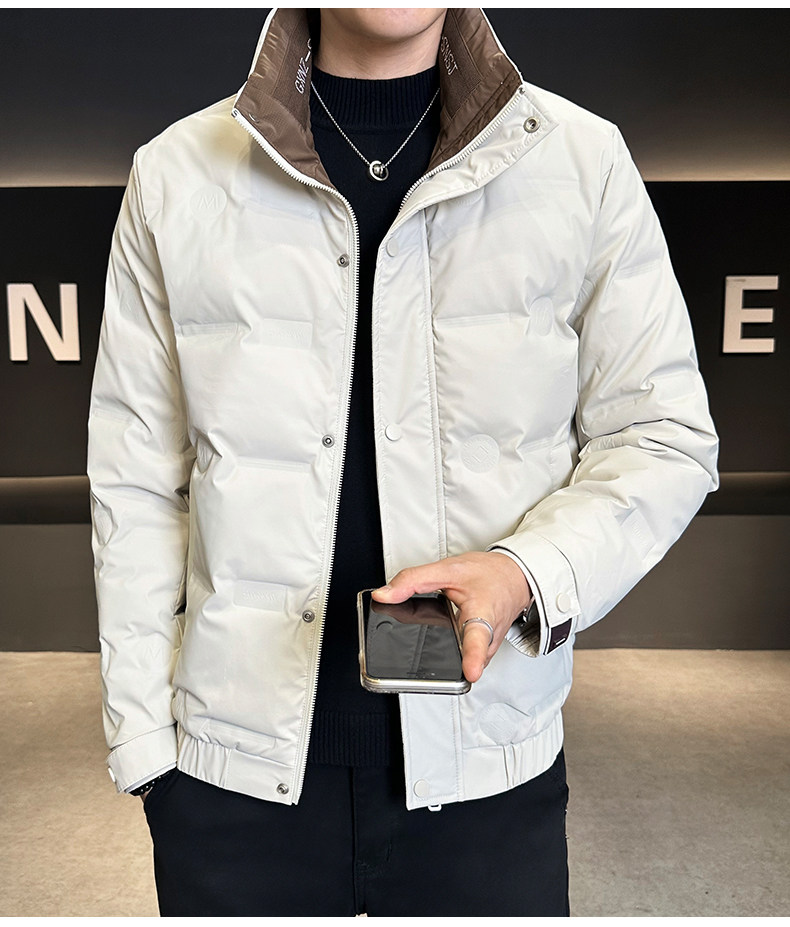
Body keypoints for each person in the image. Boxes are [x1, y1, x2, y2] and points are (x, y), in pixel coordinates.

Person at [87, 7, 718, 917]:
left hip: (487, 773)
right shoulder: (177, 175)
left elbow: (662, 435)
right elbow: (139, 484)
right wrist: (147, 749)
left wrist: (525, 572)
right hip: (229, 782)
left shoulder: (580, 162)